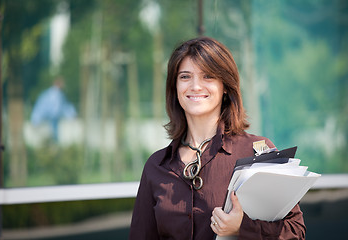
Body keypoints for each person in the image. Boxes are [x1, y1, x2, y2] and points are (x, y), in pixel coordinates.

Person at [129, 37, 306, 239]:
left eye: (208, 76)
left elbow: (295, 232)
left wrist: (242, 227)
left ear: (225, 87)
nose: (195, 86)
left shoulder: (258, 151)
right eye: (185, 77)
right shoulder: (156, 166)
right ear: (175, 87)